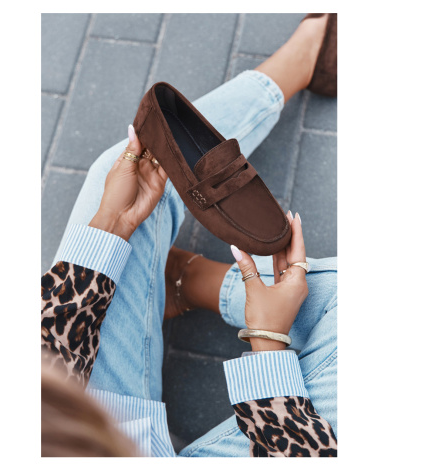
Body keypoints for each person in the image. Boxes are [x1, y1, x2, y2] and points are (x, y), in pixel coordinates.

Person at [41, 13, 337, 457]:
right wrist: (267, 339)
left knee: (120, 177)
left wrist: (114, 222)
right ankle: (191, 280)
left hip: (87, 419)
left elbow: (45, 360)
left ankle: (301, 62)